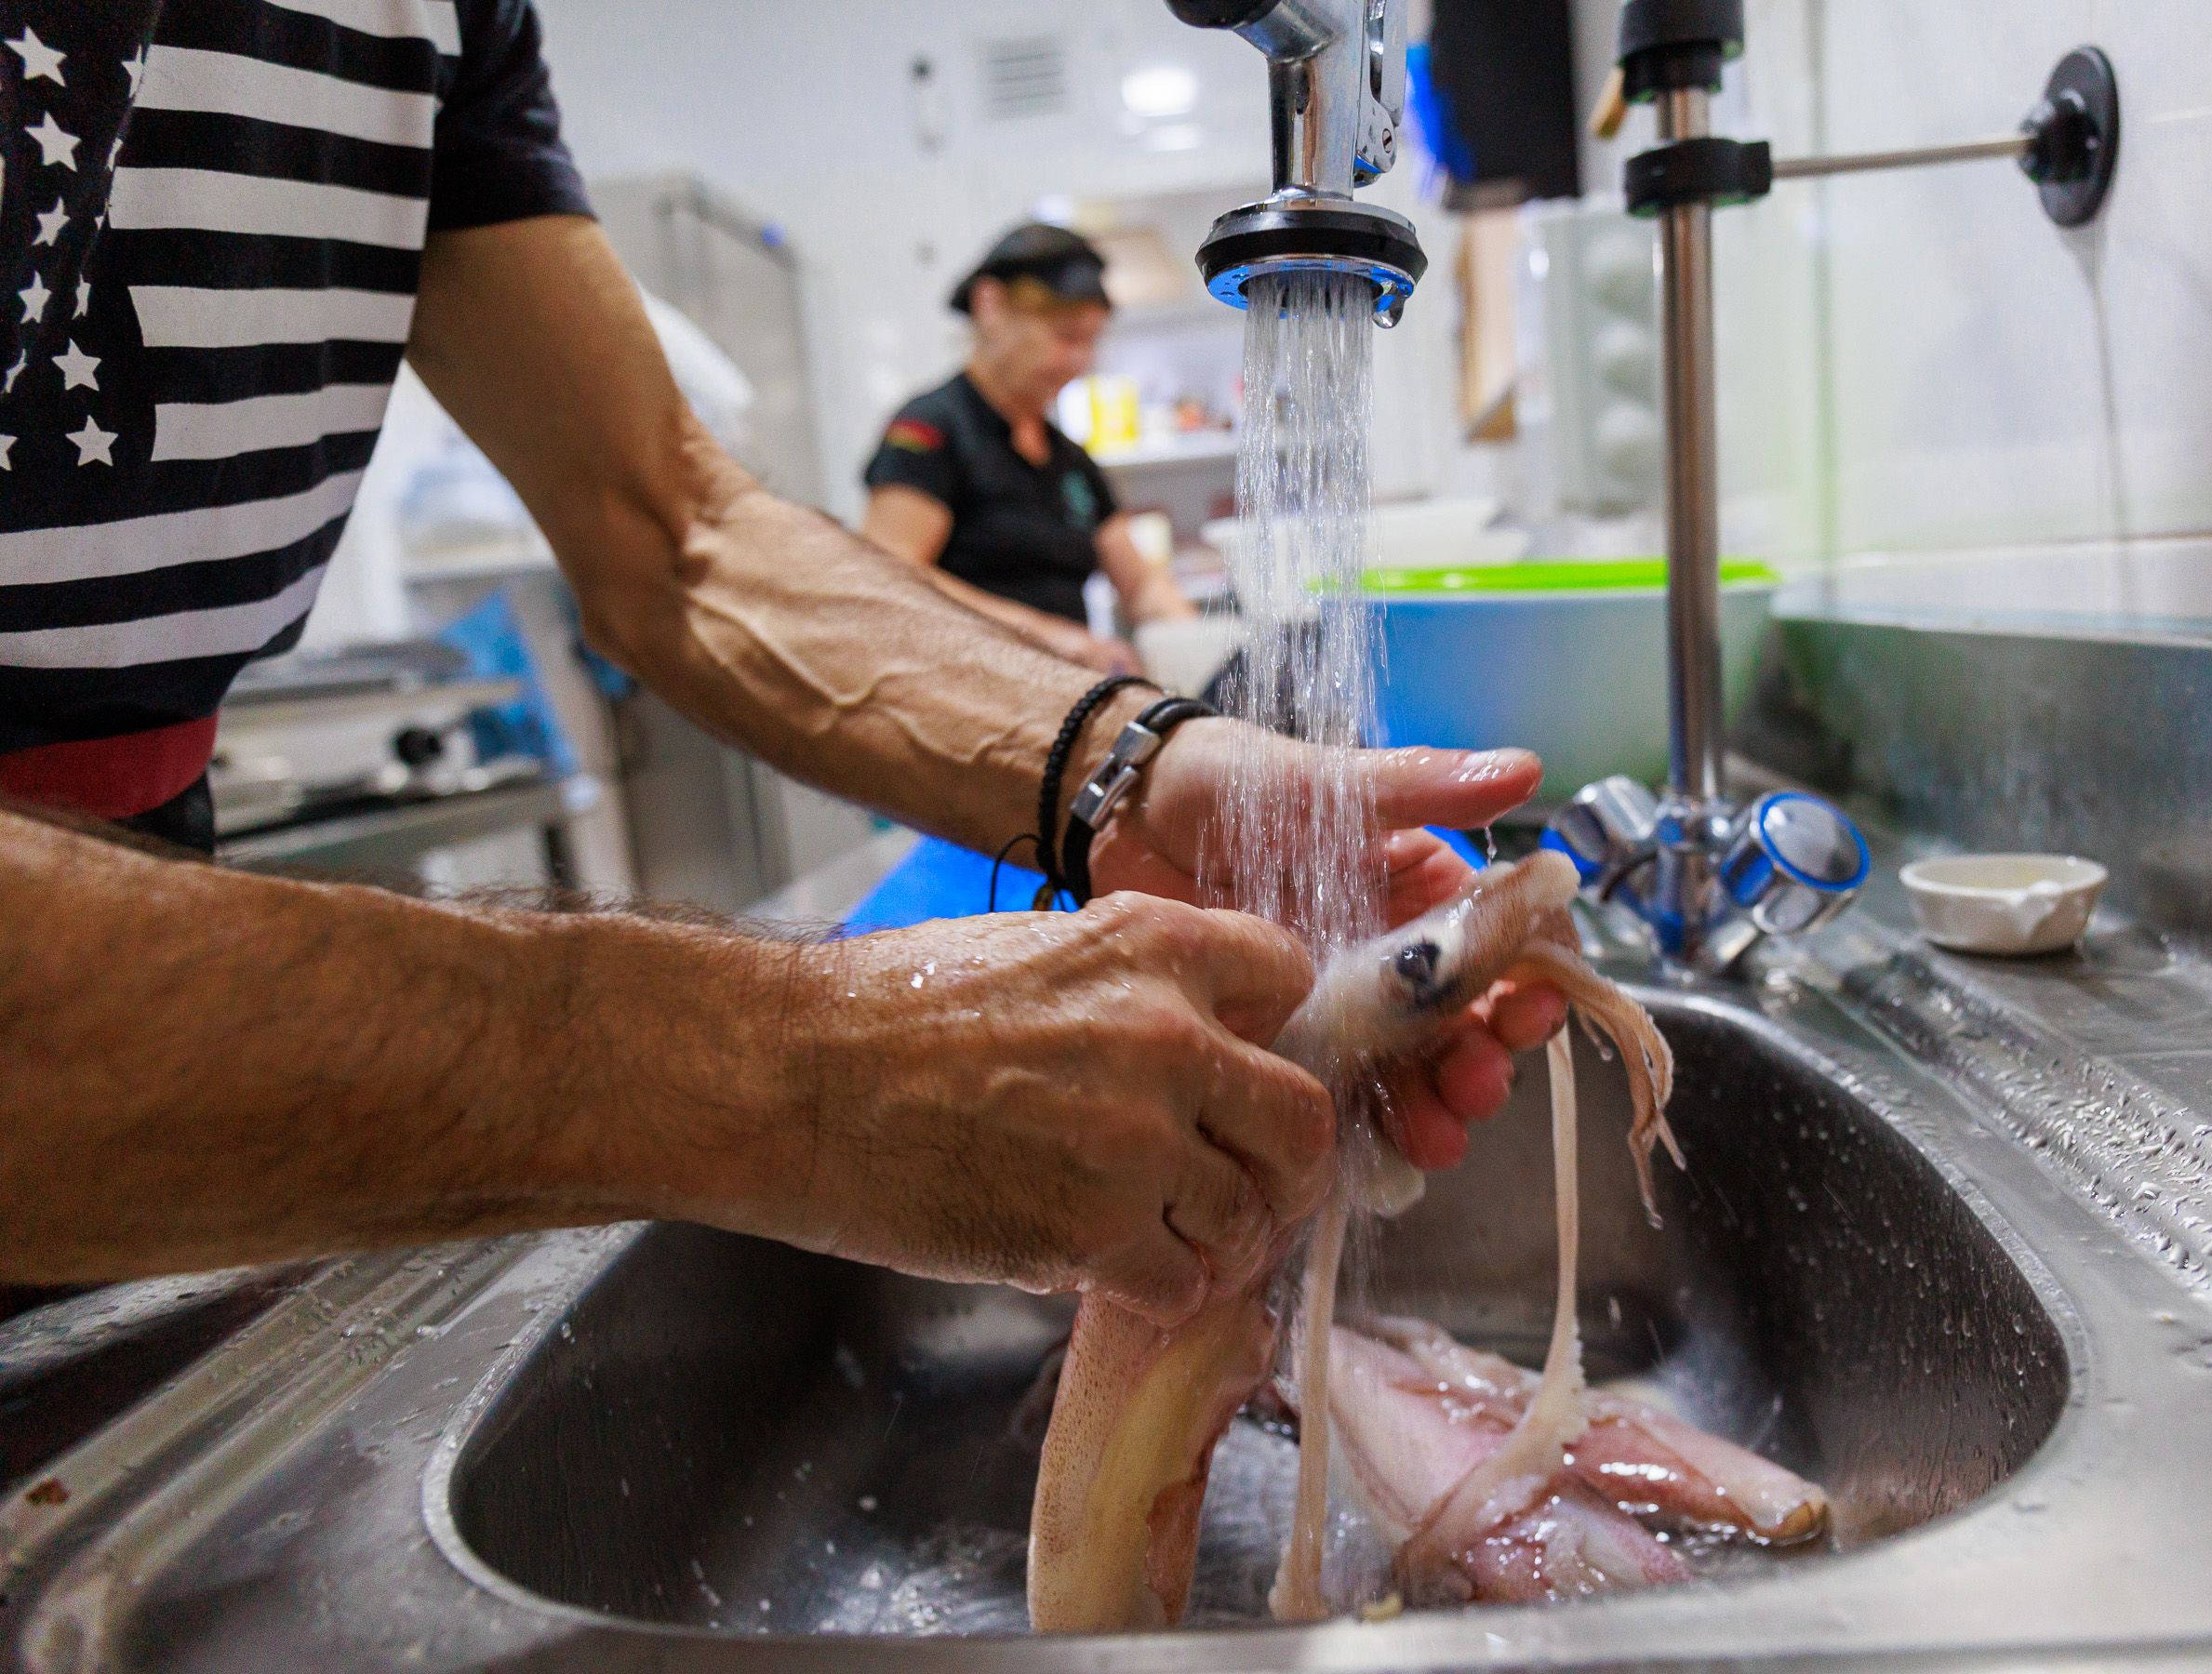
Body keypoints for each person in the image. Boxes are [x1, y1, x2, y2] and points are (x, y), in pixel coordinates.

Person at [0, 3, 1564, 1328]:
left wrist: (1132, 769)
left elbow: (671, 527)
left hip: (154, 933)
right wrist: (803, 1071)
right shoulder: (937, 433)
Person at [859, 224, 1194, 675]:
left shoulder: (1068, 459)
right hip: (966, 691)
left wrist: (1198, 644)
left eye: (1091, 341)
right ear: (990, 306)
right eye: (1066, 335)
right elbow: (889, 573)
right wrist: (1051, 638)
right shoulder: (931, 430)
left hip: (1059, 692)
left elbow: (1140, 585)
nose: (1079, 361)